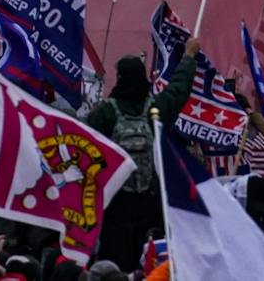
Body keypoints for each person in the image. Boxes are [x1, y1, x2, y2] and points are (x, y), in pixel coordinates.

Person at [86, 37, 201, 269]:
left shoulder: (103, 113)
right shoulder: (156, 111)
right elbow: (178, 89)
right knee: (150, 265)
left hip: (115, 208)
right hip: (151, 206)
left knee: (116, 267)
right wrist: (189, 57)